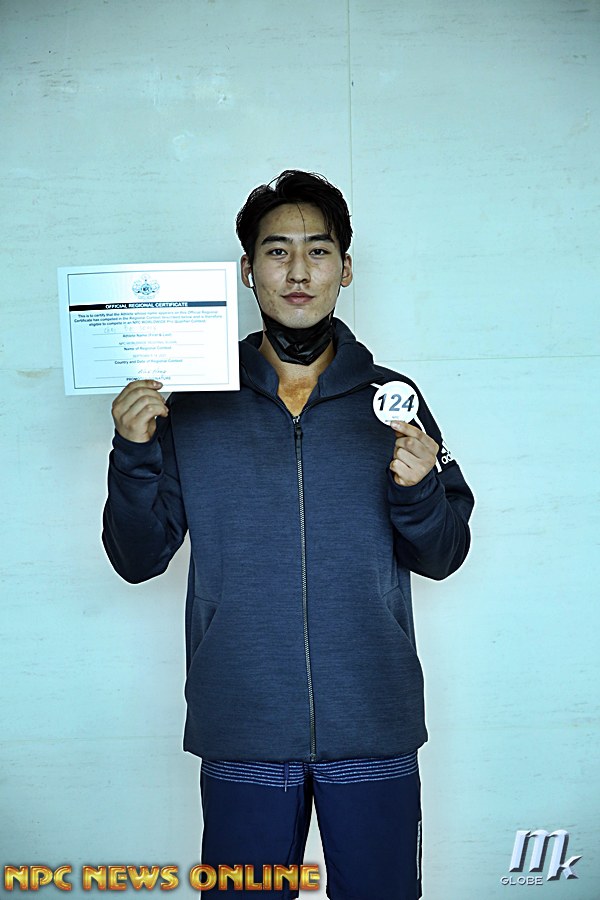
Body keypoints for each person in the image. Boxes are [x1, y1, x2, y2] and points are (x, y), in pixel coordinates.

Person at [102, 170, 474, 900]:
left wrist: (418, 489)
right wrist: (134, 450)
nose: (298, 271)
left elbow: (444, 553)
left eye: (318, 250)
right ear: (248, 270)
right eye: (277, 252)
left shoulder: (393, 400)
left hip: (373, 719)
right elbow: (137, 558)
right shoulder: (193, 402)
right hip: (242, 722)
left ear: (345, 268)